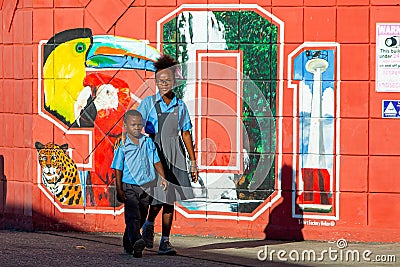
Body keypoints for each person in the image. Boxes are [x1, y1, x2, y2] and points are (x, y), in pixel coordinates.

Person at [138, 54, 199, 255]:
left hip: (176, 153)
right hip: (155, 154)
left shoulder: (180, 106)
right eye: (160, 81)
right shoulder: (147, 104)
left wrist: (192, 161)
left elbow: (186, 133)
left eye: (167, 81)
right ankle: (148, 223)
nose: (164, 84)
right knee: (157, 200)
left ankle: (165, 241)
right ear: (155, 81)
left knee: (169, 199)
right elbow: (134, 126)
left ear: (174, 82)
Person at [111, 109, 167, 258]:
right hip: (129, 187)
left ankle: (128, 243)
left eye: (139, 125)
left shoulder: (147, 142)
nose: (137, 128)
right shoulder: (122, 145)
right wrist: (119, 189)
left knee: (141, 216)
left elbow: (156, 160)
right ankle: (137, 241)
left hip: (146, 186)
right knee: (132, 216)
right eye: (133, 125)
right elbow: (118, 168)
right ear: (125, 126)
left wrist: (162, 177)